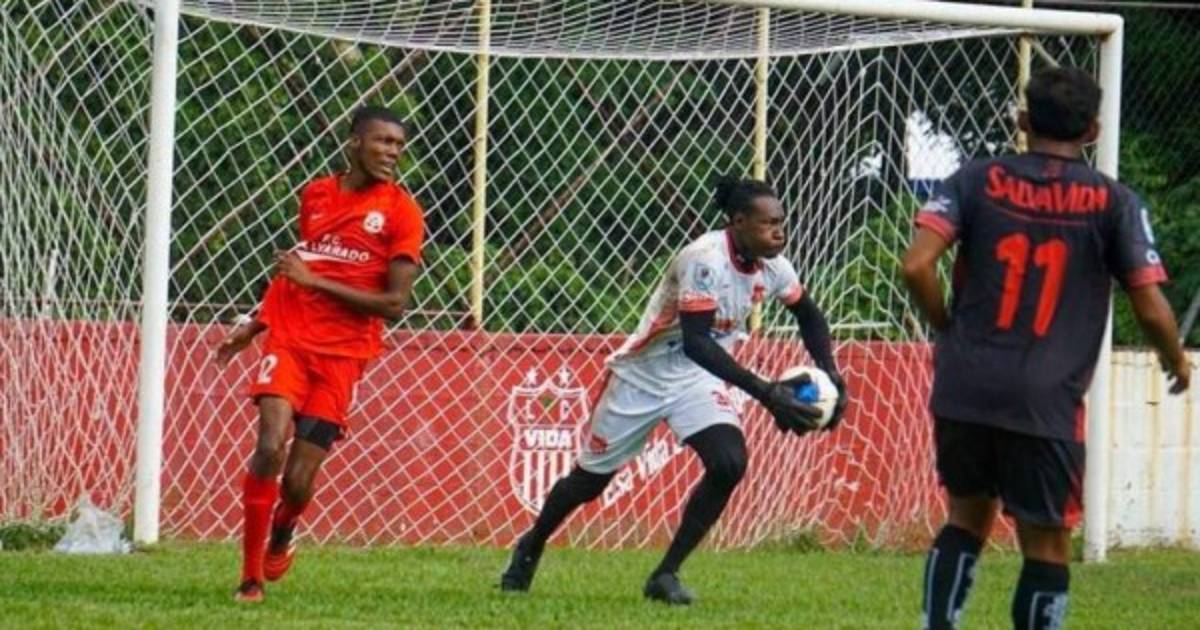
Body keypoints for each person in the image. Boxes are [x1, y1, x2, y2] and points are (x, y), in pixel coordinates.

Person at [902, 67, 1190, 630]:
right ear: (1093, 130)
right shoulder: (1113, 201)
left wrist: (946, 327)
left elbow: (916, 265)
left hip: (965, 383)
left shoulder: (974, 179)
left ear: (1022, 120)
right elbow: (1151, 307)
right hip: (1046, 399)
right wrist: (1174, 359)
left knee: (965, 517)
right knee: (1047, 544)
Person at [500, 177, 849, 605]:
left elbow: (809, 316)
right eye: (768, 224)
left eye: (781, 222)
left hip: (697, 379)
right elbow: (696, 341)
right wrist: (766, 392)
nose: (779, 232)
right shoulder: (704, 260)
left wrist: (830, 372)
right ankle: (532, 543)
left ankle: (665, 574)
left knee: (729, 462)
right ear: (738, 222)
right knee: (589, 482)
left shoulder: (775, 267)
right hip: (642, 376)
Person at [215, 106, 424, 603]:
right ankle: (250, 579)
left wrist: (315, 283)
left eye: (398, 144)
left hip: (343, 355)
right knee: (269, 444)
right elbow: (302, 268)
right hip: (289, 338)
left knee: (297, 481)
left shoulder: (402, 212)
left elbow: (394, 304)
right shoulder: (315, 194)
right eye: (382, 141)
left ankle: (286, 526)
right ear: (354, 143)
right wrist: (256, 323)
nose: (392, 152)